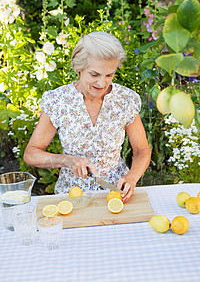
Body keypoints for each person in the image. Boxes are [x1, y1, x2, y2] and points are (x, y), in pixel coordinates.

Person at [24, 31, 151, 203]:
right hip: (71, 195)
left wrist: (131, 178)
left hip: (116, 193)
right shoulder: (58, 101)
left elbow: (142, 150)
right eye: (94, 74)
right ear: (79, 67)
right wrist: (67, 160)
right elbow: (31, 154)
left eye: (109, 75)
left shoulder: (125, 100)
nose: (102, 83)